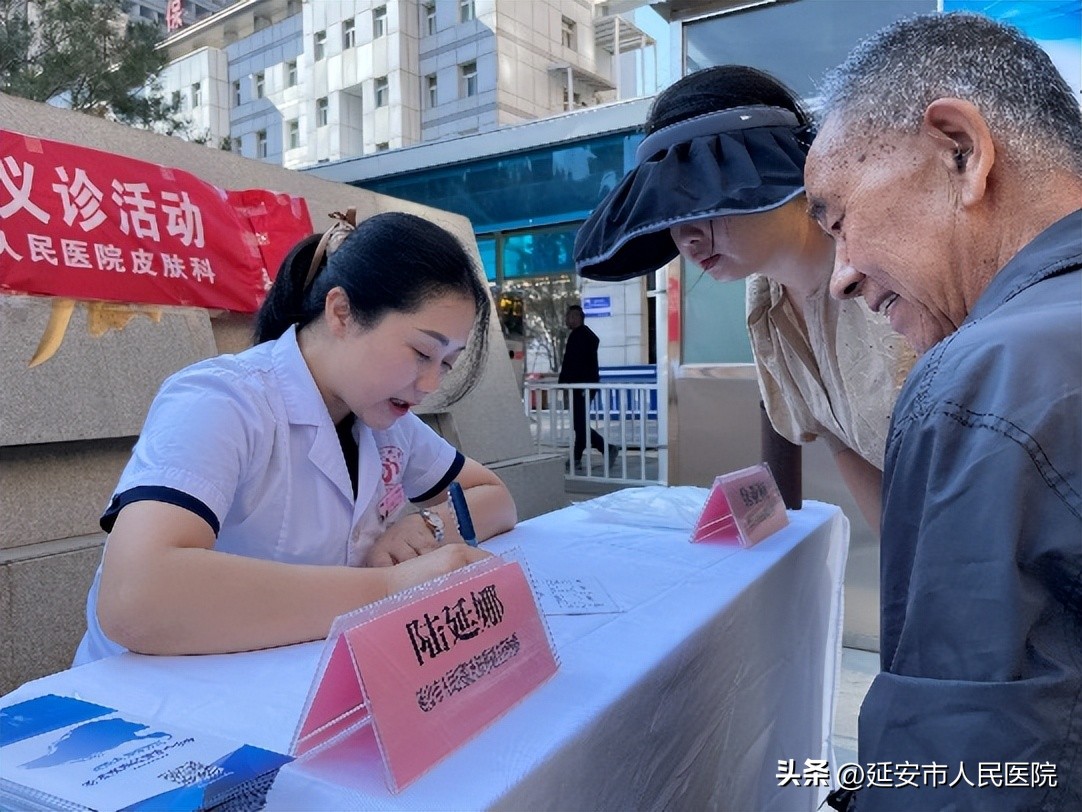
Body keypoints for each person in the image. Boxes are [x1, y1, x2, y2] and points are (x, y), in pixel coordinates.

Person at [803, 12, 1081, 810]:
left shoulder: (988, 377)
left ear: (960, 151)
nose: (841, 278)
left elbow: (964, 765)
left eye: (840, 217)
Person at [74, 211, 518, 664]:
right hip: (154, 699)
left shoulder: (387, 423)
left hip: (287, 677)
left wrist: (427, 527)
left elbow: (494, 498)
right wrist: (388, 588)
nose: (429, 385)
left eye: (446, 363)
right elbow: (137, 594)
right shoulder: (222, 399)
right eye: (422, 351)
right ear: (341, 312)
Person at [574, 65, 913, 528]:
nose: (686, 238)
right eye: (672, 213)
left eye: (703, 203)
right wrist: (905, 571)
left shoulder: (898, 265)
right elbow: (843, 440)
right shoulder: (763, 302)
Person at [558, 304, 616, 472]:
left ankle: (606, 448)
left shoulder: (582, 337)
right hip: (580, 386)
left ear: (577, 317)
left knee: (580, 424)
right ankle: (576, 457)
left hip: (582, 386)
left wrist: (567, 384)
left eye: (569, 316)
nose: (567, 320)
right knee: (579, 423)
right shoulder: (579, 336)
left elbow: (572, 365)